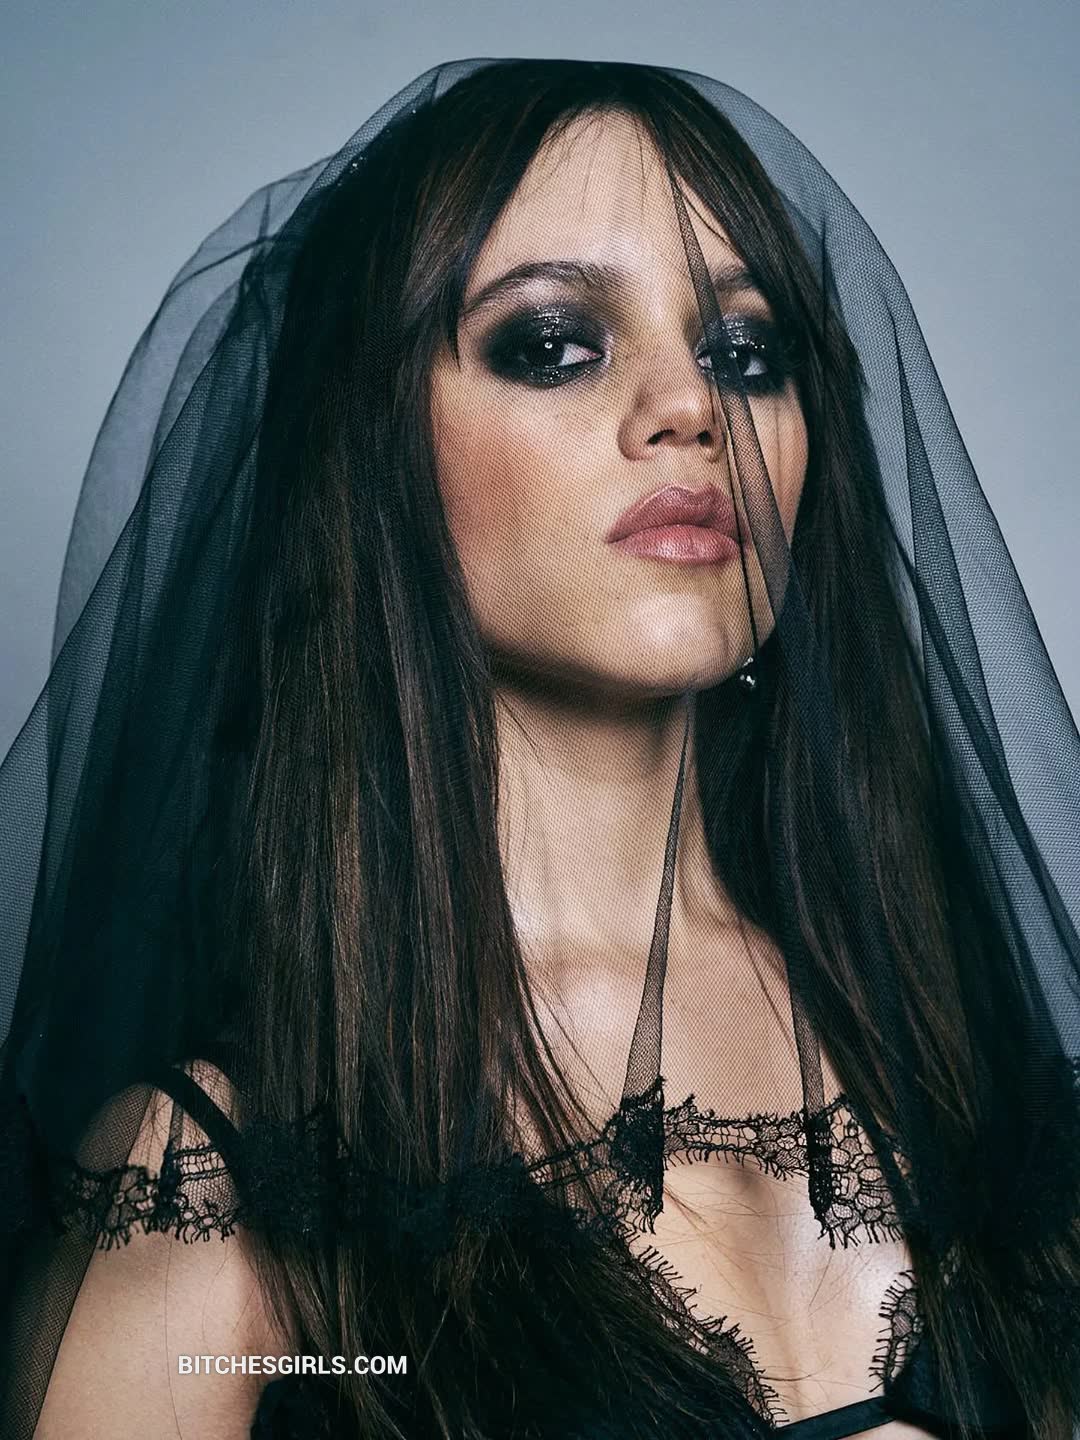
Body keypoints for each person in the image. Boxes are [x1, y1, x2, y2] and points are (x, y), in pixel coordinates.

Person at [1, 56, 1078, 1440]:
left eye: (747, 353)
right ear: (374, 451)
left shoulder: (954, 1044)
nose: (691, 409)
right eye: (554, 343)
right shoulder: (224, 1174)